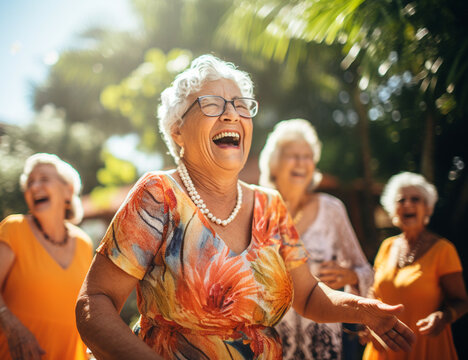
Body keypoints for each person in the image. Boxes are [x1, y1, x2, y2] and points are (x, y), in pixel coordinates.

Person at [75, 54, 415, 360]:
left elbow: (308, 294)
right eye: (211, 104)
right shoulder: (159, 194)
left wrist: (362, 310)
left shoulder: (271, 205)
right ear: (177, 130)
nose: (230, 114)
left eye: (240, 105)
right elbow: (96, 300)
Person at [0, 153, 93, 360]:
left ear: (68, 190)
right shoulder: (14, 228)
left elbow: (86, 304)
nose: (34, 187)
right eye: (29, 183)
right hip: (10, 351)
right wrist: (13, 328)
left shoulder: (84, 243)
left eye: (44, 179)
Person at [258, 119, 374, 359]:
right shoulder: (258, 209)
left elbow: (365, 268)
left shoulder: (332, 209)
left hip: (324, 342)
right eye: (294, 155)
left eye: (308, 156)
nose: (302, 162)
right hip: (270, 342)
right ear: (274, 163)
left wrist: (351, 276)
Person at [361, 172, 468, 360]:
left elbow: (462, 301)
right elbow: (373, 289)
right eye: (401, 200)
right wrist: (369, 323)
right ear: (394, 210)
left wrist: (443, 317)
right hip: (383, 348)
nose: (408, 204)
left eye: (415, 199)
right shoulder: (387, 246)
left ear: (427, 208)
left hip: (426, 348)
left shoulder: (444, 250)